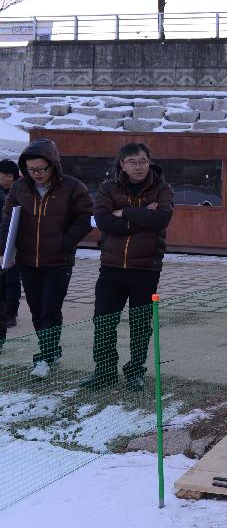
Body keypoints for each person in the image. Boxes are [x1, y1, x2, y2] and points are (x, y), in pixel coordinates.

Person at [80, 143, 174, 392]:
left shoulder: (161, 188)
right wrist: (142, 215)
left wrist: (125, 212)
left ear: (149, 161)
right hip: (111, 268)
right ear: (122, 164)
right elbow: (104, 221)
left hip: (146, 269)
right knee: (103, 322)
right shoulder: (108, 188)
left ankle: (135, 372)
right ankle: (105, 371)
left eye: (142, 160)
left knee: (141, 324)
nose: (138, 166)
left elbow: (162, 218)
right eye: (132, 161)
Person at [0, 139, 93, 379]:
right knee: (35, 309)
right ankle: (51, 350)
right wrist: (5, 251)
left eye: (41, 169)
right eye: (31, 170)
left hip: (58, 261)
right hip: (27, 260)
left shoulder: (72, 187)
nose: (37, 174)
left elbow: (84, 219)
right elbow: (8, 222)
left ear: (53, 165)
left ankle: (46, 355)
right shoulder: (20, 189)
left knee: (50, 308)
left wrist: (64, 242)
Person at [0, 159, 22, 328]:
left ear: (10, 176)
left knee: (12, 279)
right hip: (1, 240)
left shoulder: (22, 193)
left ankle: (10, 313)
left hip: (15, 243)